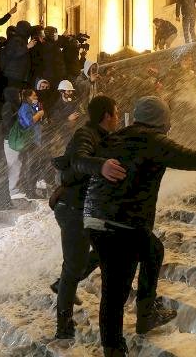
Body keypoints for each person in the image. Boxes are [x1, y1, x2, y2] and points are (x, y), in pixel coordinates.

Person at [83, 96, 196, 356]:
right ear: (161, 120)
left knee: (152, 250)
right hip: (120, 224)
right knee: (115, 291)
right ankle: (116, 347)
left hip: (96, 218)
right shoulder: (154, 140)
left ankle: (146, 313)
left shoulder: (117, 136)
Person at [50, 95, 126, 340]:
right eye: (116, 110)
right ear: (107, 115)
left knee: (109, 249)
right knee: (74, 266)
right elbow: (79, 160)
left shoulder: (106, 137)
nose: (118, 115)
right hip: (72, 210)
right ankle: (64, 326)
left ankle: (63, 282)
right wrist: (101, 165)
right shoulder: (86, 135)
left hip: (88, 209)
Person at [16, 88, 45, 197]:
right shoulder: (24, 107)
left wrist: (38, 109)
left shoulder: (31, 107)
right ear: (28, 97)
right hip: (29, 142)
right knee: (30, 167)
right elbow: (29, 122)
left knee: (35, 166)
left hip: (35, 141)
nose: (36, 97)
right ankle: (29, 191)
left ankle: (31, 189)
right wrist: (39, 114)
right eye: (34, 96)